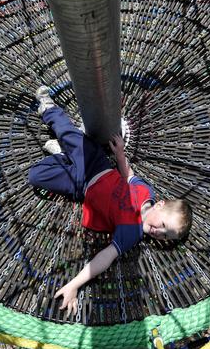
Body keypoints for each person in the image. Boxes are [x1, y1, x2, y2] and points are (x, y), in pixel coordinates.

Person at [28, 86, 193, 316]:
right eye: (164, 226)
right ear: (160, 205)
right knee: (68, 133)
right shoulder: (146, 192)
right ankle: (48, 108)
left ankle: (62, 156)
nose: (158, 232)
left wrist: (74, 285)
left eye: (165, 236)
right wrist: (120, 154)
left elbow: (103, 259)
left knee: (36, 176)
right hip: (97, 164)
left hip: (81, 187)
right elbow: (129, 175)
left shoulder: (132, 232)